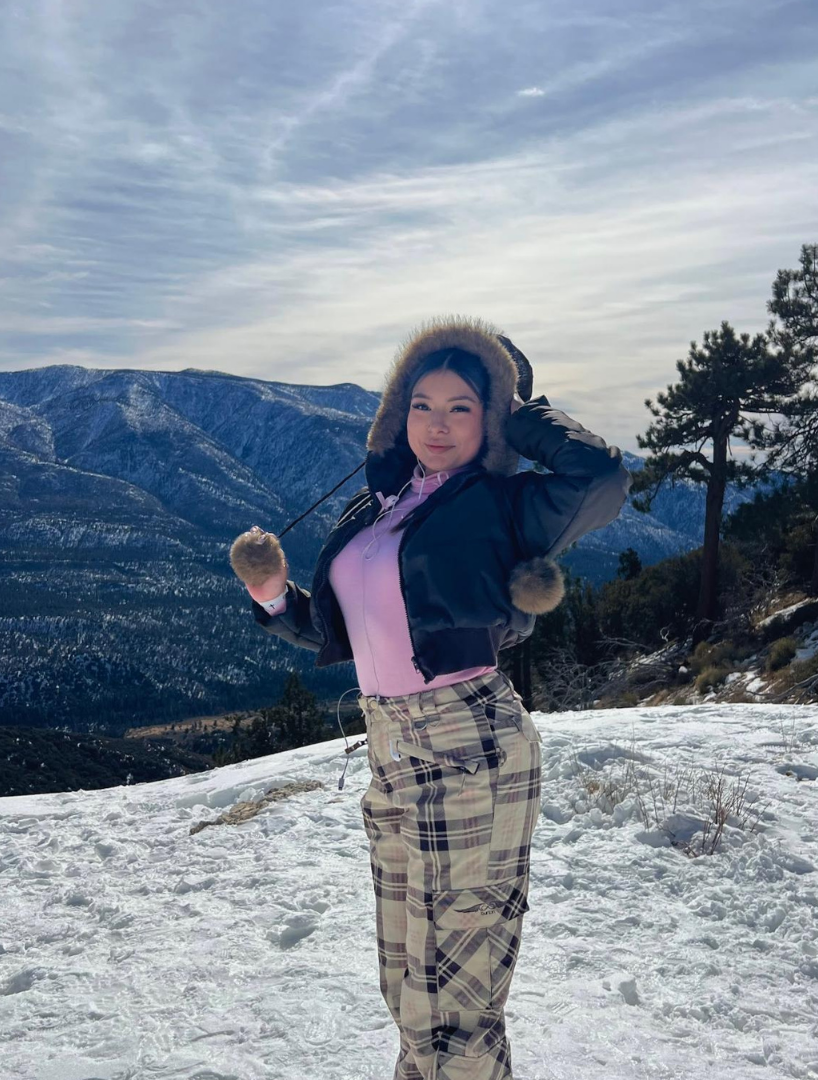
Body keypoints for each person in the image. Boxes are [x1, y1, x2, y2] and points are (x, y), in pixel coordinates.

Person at [229, 315, 630, 1080]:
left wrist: (521, 410)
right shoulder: (377, 509)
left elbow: (603, 479)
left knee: (453, 999)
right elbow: (345, 628)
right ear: (395, 414)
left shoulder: (505, 504)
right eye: (421, 405)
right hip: (389, 749)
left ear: (492, 418)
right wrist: (276, 597)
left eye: (461, 407)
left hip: (468, 741)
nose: (437, 425)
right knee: (407, 978)